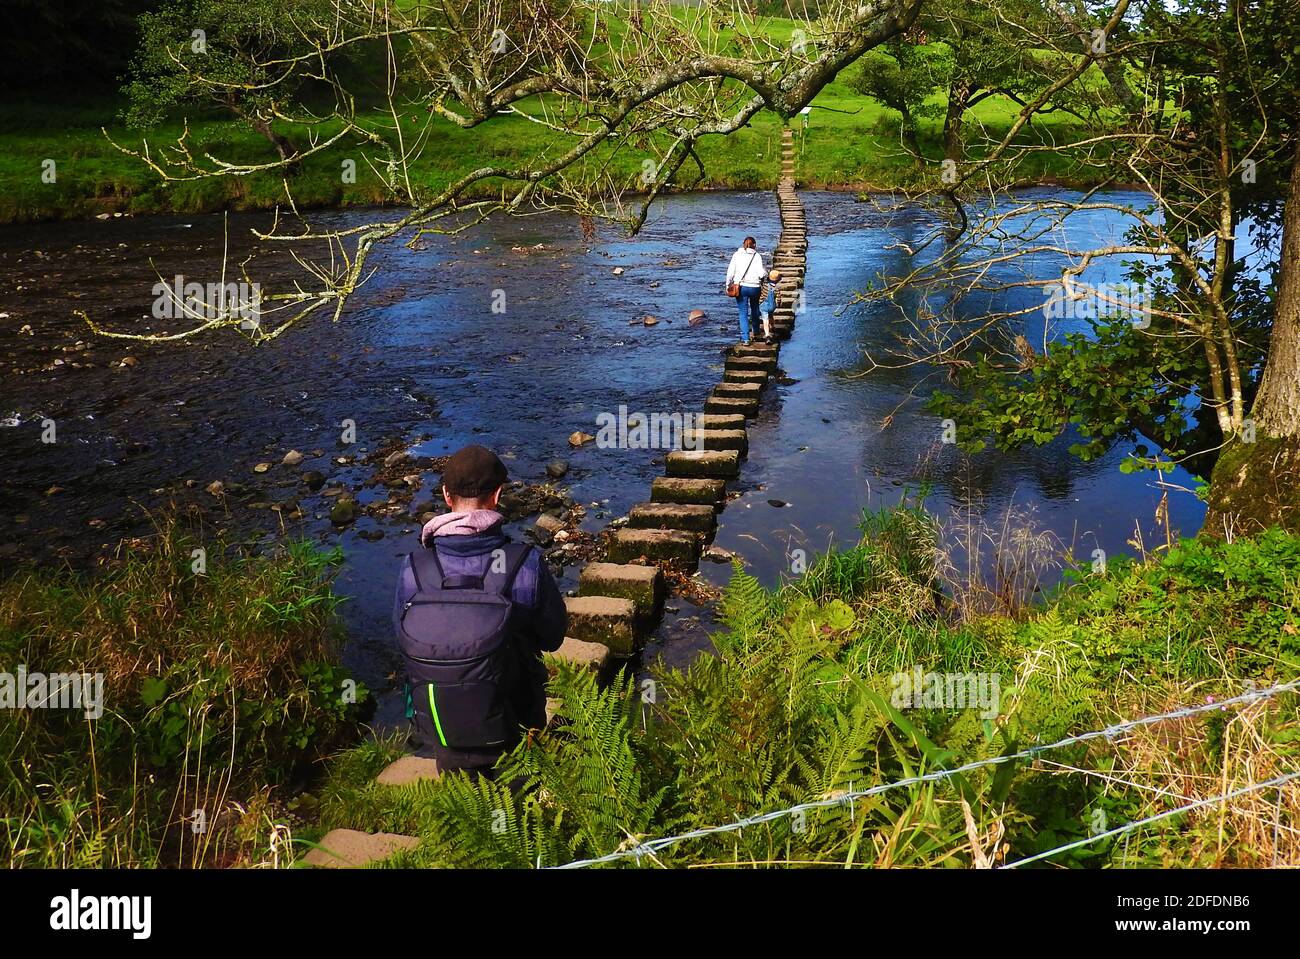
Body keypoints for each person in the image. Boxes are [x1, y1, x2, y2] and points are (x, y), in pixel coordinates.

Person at [392, 444, 567, 778]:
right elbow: (553, 637)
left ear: (446, 495)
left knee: (464, 806)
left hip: (442, 727)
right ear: (498, 495)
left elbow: (401, 638)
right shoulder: (523, 563)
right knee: (517, 810)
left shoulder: (415, 567)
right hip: (514, 723)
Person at [725, 236, 766, 345]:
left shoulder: (736, 255)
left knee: (743, 312)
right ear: (755, 245)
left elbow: (730, 273)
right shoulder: (757, 256)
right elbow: (761, 273)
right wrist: (766, 274)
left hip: (741, 287)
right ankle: (756, 331)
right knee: (755, 308)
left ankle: (746, 338)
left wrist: (727, 285)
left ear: (743, 244)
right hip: (755, 287)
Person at [759, 268, 782, 343]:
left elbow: (762, 295)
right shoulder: (777, 288)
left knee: (765, 320)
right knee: (771, 315)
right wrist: (778, 304)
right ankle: (772, 327)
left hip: (764, 306)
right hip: (772, 306)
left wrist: (760, 302)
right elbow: (778, 298)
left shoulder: (765, 285)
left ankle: (767, 335)